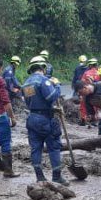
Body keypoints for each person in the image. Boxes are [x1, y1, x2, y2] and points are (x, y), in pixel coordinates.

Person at [22, 55, 64, 183]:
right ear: (42, 67)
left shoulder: (27, 83)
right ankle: (57, 177)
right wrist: (56, 86)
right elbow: (51, 97)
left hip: (32, 118)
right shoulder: (43, 80)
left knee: (36, 148)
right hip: (45, 118)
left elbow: (31, 100)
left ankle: (40, 177)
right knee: (54, 147)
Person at [78, 58, 101, 125]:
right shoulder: (99, 72)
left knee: (83, 105)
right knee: (97, 106)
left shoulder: (86, 73)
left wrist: (80, 94)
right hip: (97, 92)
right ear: (96, 65)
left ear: (90, 65)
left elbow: (82, 84)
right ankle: (97, 120)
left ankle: (84, 119)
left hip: (86, 92)